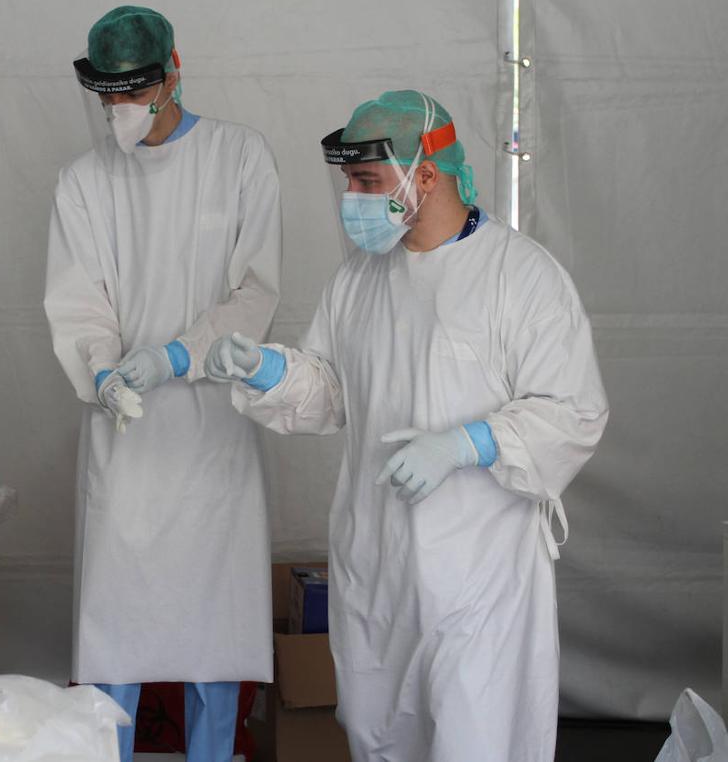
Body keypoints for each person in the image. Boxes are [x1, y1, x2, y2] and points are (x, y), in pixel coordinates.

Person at [207, 90, 609, 761]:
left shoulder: (520, 276)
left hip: (478, 572)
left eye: (367, 182)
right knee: (380, 733)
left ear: (425, 174)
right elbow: (334, 391)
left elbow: (574, 411)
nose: (353, 199)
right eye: (349, 182)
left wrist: (469, 443)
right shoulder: (360, 280)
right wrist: (268, 371)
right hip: (378, 563)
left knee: (472, 737)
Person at [43, 6, 282, 762]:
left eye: (134, 91)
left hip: (214, 433)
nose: (120, 107)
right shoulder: (83, 181)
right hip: (128, 435)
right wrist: (102, 370)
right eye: (108, 94)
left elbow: (254, 291)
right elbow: (79, 300)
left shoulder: (239, 158)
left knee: (216, 636)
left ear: (173, 70)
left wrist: (180, 355)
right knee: (118, 631)